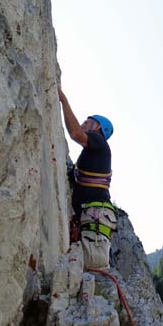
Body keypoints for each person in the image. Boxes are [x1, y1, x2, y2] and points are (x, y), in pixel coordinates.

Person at [58, 84, 117, 269]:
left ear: (97, 126)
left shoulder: (99, 142)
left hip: (94, 216)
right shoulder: (91, 154)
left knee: (91, 264)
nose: (83, 124)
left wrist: (63, 101)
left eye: (87, 121)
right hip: (90, 215)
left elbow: (76, 133)